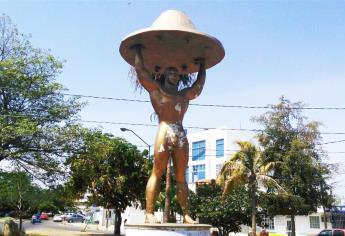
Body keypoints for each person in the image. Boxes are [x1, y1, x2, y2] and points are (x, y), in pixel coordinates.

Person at [131, 44, 206, 224]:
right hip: (164, 130)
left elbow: (199, 86)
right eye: (170, 72)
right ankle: (149, 213)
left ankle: (186, 214)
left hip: (180, 132)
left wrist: (202, 65)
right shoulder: (157, 91)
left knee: (181, 176)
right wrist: (137, 52)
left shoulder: (183, 96)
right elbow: (141, 72)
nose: (174, 75)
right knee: (156, 173)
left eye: (176, 73)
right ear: (164, 75)